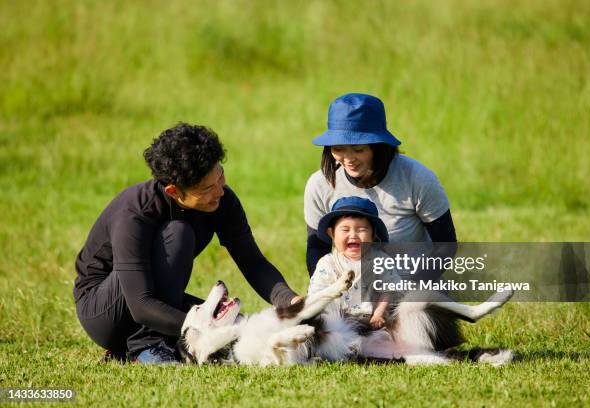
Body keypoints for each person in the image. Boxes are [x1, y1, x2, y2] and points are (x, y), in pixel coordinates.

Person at [74, 123, 299, 364]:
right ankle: (146, 346)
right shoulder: (134, 212)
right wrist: (204, 330)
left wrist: (293, 303)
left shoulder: (223, 200)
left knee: (241, 327)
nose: (220, 191)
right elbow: (140, 304)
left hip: (156, 301)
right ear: (173, 191)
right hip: (105, 311)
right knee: (178, 233)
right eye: (207, 188)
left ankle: (145, 346)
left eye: (220, 175)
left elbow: (253, 263)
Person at [304, 93, 457, 276]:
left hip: (416, 288)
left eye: (359, 149)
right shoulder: (319, 184)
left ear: (379, 146)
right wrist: (324, 290)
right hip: (352, 291)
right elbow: (316, 249)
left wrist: (408, 291)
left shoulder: (417, 178)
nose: (348, 159)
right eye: (338, 149)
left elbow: (446, 246)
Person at [308, 196, 397, 329]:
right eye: (345, 230)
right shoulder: (328, 263)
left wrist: (379, 313)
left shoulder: (380, 260)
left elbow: (390, 289)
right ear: (332, 234)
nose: (353, 235)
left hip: (373, 323)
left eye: (362, 230)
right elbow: (317, 295)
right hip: (337, 324)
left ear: (373, 235)